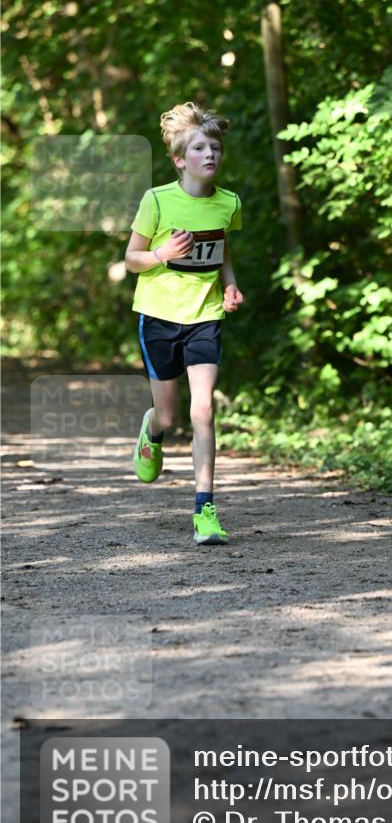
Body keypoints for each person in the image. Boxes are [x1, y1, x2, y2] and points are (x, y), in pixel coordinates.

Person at [124, 101, 244, 545]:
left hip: (204, 317)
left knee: (203, 409)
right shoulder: (157, 200)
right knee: (170, 415)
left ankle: (204, 510)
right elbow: (131, 259)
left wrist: (230, 285)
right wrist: (161, 254)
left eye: (215, 148)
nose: (209, 154)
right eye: (199, 148)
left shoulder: (229, 203)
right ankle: (152, 430)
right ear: (179, 159)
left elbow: (222, 249)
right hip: (158, 317)